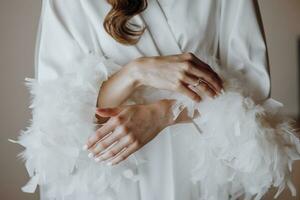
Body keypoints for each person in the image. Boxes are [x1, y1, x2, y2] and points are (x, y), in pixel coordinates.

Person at [17, 0, 273, 199]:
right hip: (110, 176)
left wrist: (162, 114)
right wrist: (135, 73)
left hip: (198, 171)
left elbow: (254, 95)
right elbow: (58, 118)